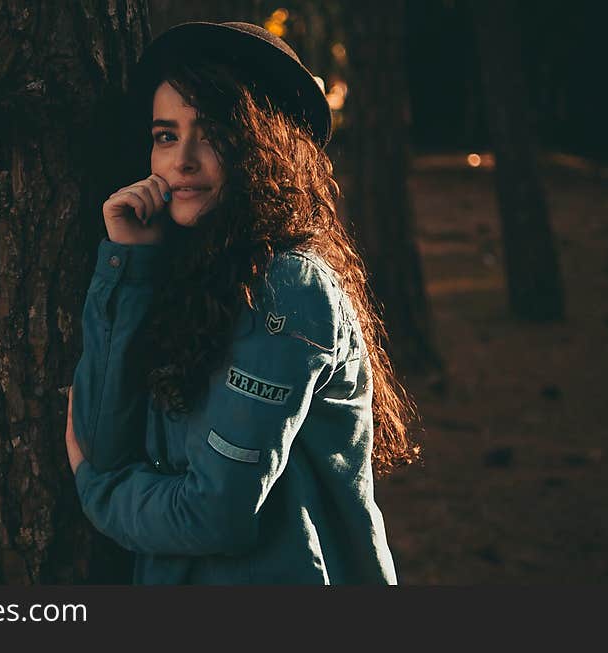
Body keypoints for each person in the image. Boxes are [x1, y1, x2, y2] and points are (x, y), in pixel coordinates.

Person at [64, 21, 419, 584]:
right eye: (165, 135)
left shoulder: (287, 289)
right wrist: (128, 267)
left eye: (211, 133)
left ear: (263, 148)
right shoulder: (185, 281)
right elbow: (103, 443)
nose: (181, 160)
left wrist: (102, 494)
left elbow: (214, 514)